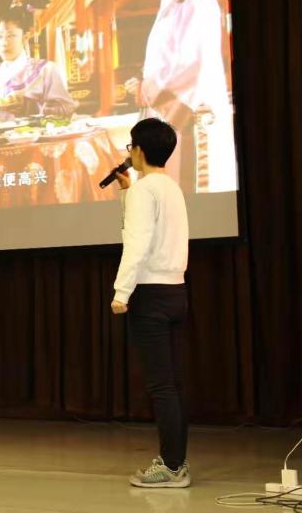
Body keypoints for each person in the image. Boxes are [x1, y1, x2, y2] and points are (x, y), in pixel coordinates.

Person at [110, 117, 191, 488]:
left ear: (139, 150)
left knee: (161, 386)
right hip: (175, 291)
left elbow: (137, 244)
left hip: (151, 294)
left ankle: (172, 467)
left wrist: (121, 292)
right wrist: (127, 194)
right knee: (172, 384)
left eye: (131, 146)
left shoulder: (145, 191)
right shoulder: (169, 187)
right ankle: (176, 461)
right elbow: (152, 233)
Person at [125, 0, 237, 193]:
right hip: (175, 111)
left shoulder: (196, 1)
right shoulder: (177, 0)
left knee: (188, 190)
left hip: (190, 110)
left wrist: (146, 89)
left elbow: (191, 65)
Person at [0, 3, 77, 129]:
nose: (4, 42)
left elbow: (66, 110)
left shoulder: (45, 70)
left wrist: (29, 106)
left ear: (25, 38)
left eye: (11, 36)